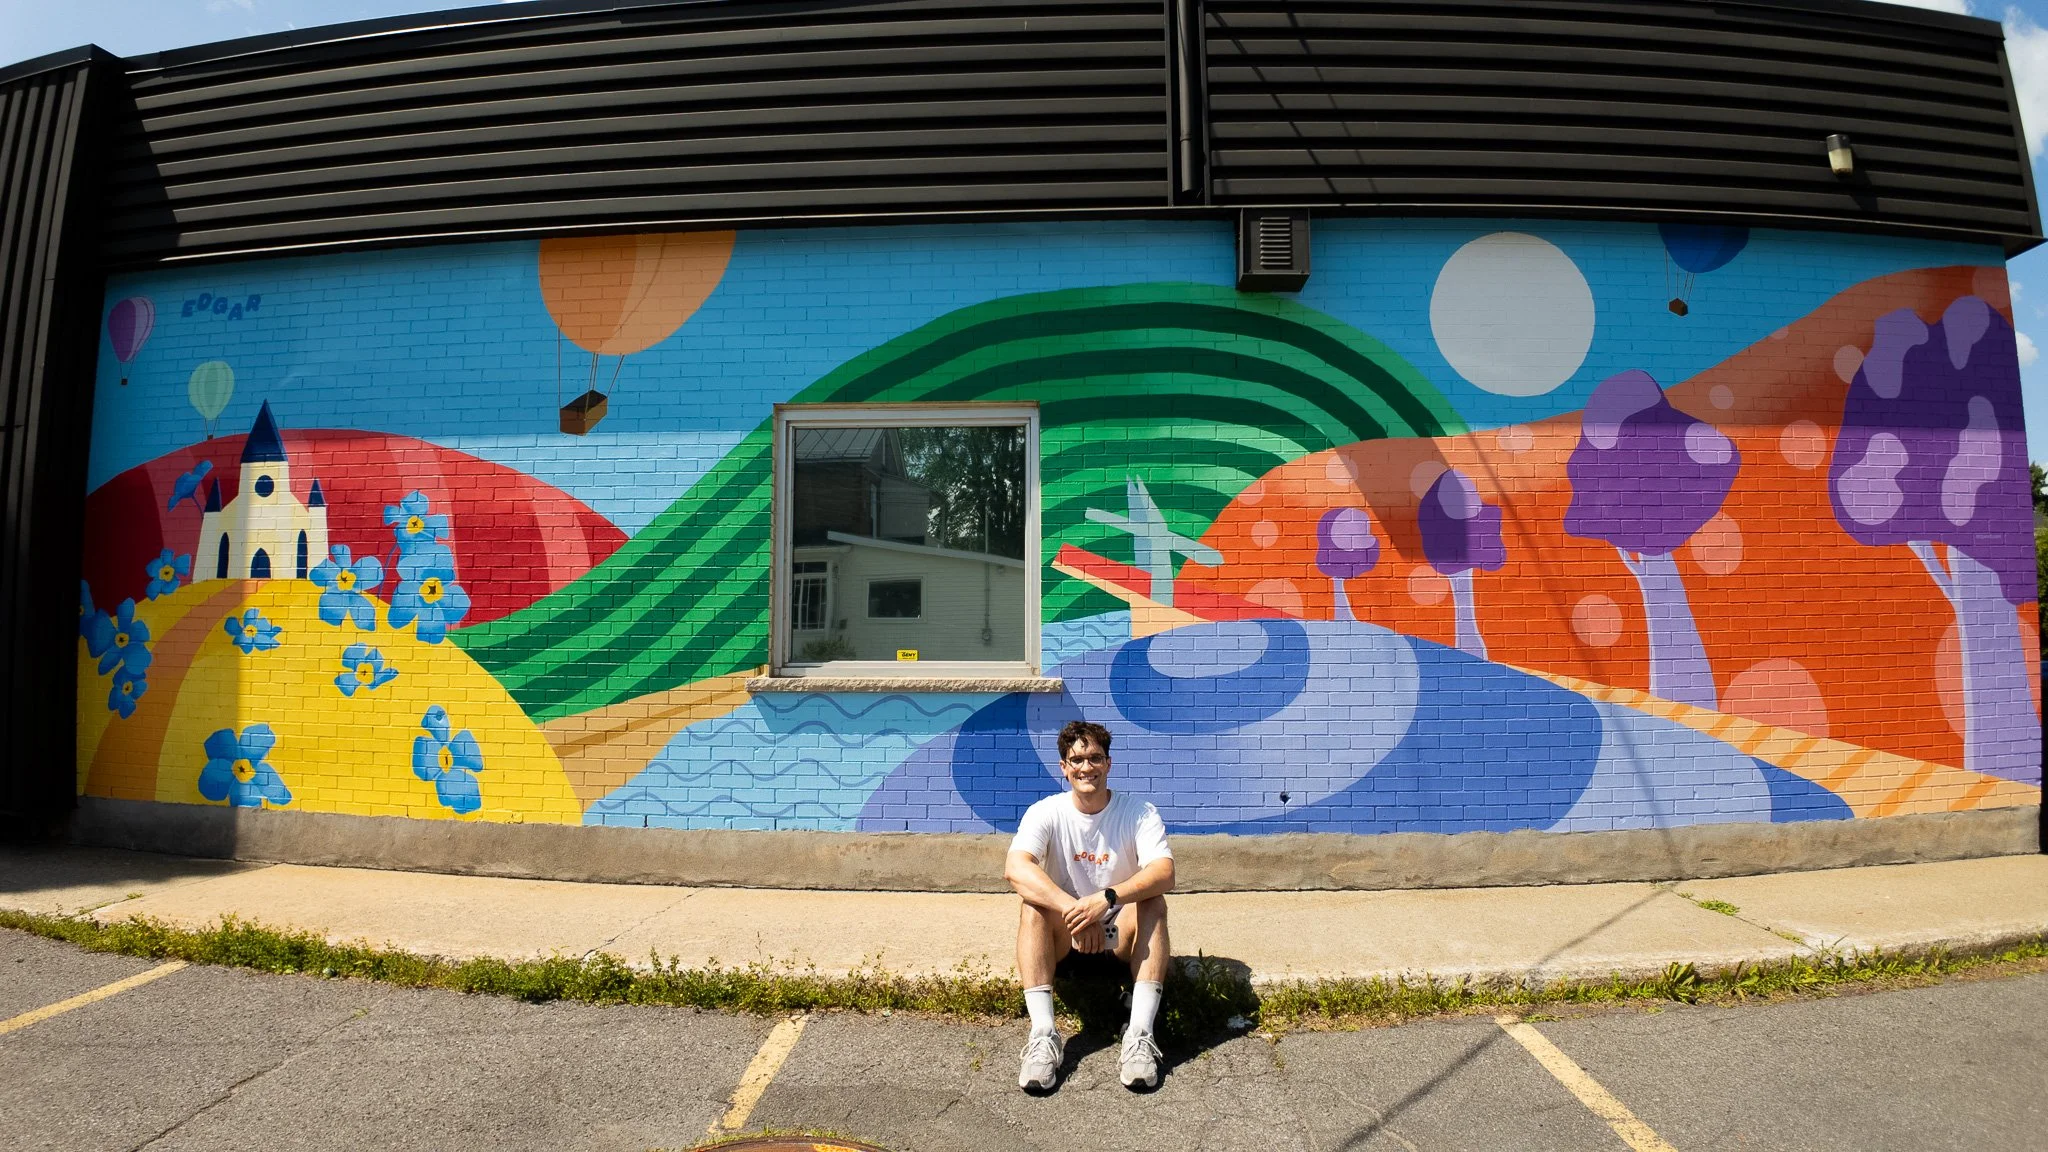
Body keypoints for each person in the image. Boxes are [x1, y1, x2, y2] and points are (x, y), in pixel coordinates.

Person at [1004, 719, 1175, 1092]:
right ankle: (1043, 1036)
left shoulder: (1139, 812)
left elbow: (1165, 872)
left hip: (1121, 937)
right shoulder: (1046, 812)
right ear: (1064, 767)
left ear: (1108, 763)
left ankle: (1140, 1035)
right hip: (1067, 938)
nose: (1087, 767)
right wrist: (1078, 912)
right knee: (1031, 906)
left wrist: (1106, 899)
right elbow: (1015, 868)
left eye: (1095, 758)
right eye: (1077, 760)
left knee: (1154, 902)